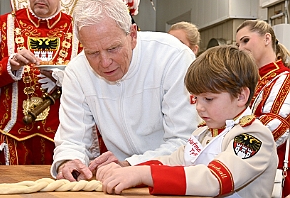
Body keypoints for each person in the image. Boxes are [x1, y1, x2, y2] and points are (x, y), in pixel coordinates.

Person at [51, 0, 200, 181]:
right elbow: (72, 138)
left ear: (133, 35)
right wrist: (68, 161)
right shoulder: (77, 71)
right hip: (118, 177)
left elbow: (186, 141)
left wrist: (132, 165)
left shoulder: (173, 56)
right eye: (93, 53)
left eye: (113, 48)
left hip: (172, 178)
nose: (105, 62)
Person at [96, 45, 278, 197]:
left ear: (240, 96)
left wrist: (143, 174)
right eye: (196, 99)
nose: (199, 107)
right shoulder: (203, 132)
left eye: (208, 99)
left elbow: (215, 179)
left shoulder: (253, 136)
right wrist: (127, 169)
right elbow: (171, 162)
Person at [0, 0, 79, 165]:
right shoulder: (0, 27)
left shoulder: (80, 31)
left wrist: (65, 80)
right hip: (6, 142)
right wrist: (8, 67)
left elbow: (99, 87)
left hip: (62, 144)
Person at [236, 19, 290, 198]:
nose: (240, 48)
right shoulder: (249, 81)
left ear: (267, 38)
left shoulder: (285, 79)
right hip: (245, 172)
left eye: (245, 41)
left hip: (270, 176)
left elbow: (275, 128)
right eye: (237, 44)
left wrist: (228, 141)